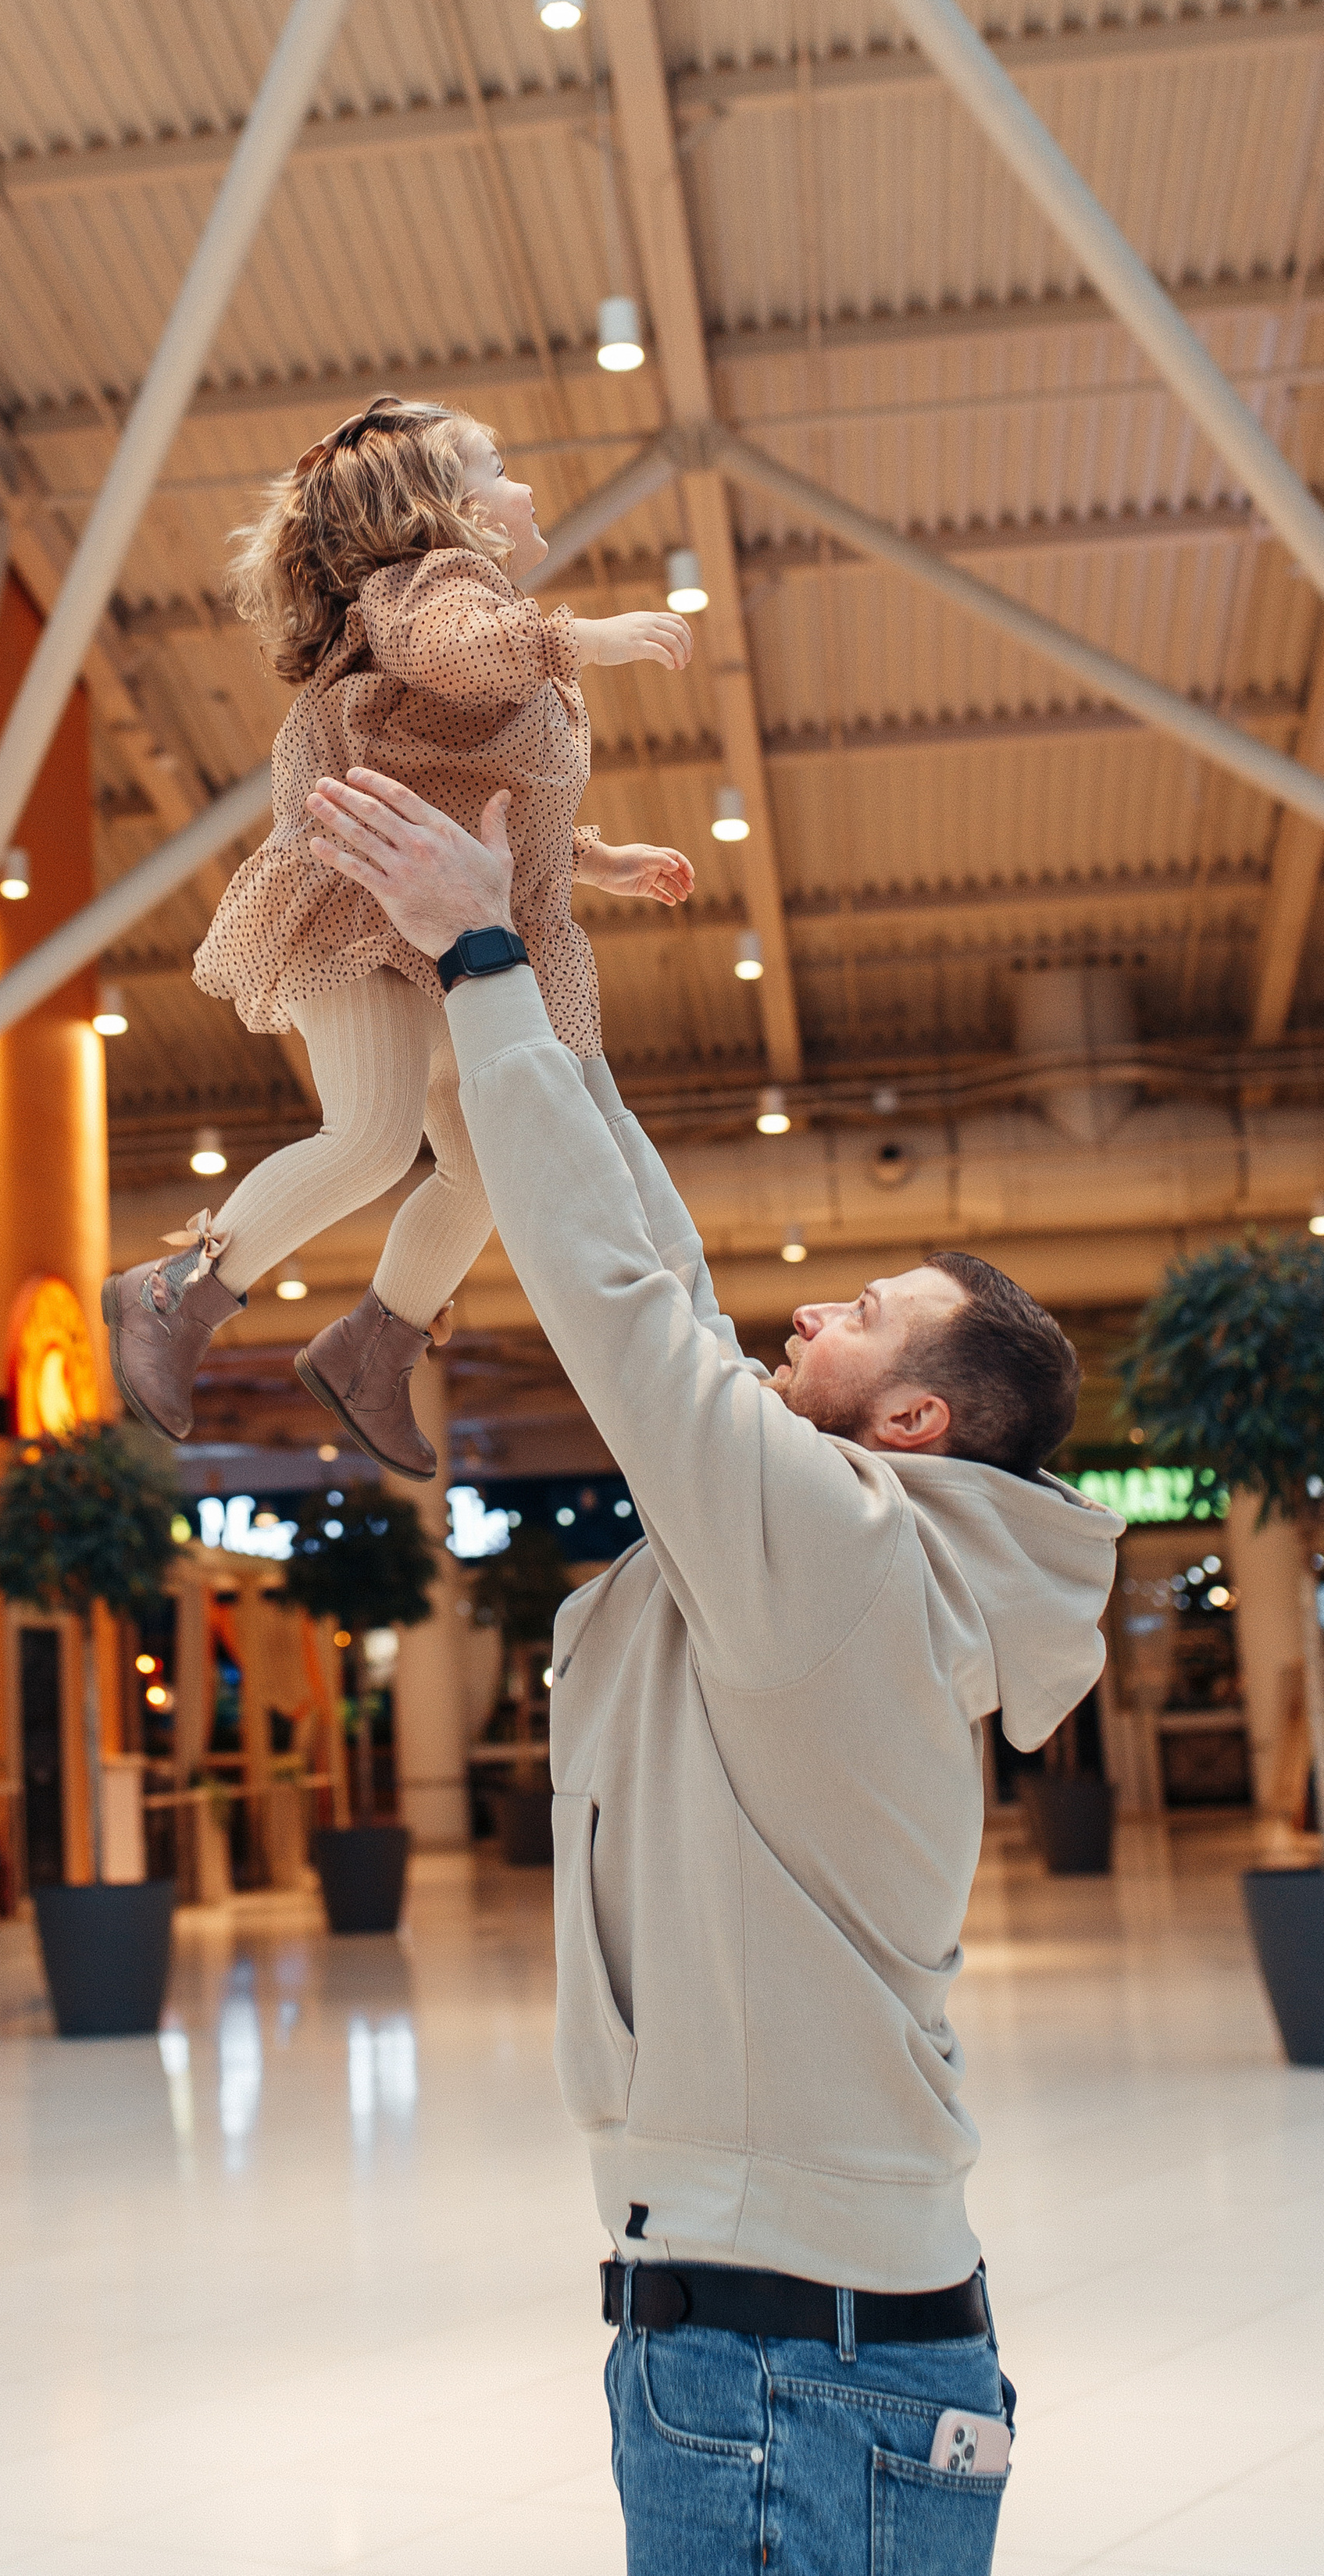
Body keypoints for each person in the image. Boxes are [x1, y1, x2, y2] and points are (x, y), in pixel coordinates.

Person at [302, 762, 1121, 2576]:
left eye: (864, 1317)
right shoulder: (860, 1562)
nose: (808, 1307)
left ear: (910, 1418)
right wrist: (523, 959)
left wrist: (482, 953)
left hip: (773, 2363)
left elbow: (616, 1305)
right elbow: (655, 1268)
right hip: (820, 2333)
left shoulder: (834, 1554)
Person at [104, 396, 695, 1477]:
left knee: (484, 1169)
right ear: (448, 510)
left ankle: (376, 1343)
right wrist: (585, 636)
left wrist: (595, 862)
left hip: (423, 914)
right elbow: (462, 654)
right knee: (374, 1136)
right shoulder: (433, 593)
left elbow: (480, 798)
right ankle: (175, 1292)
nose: (523, 487)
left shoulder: (475, 626)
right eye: (501, 467)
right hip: (357, 906)